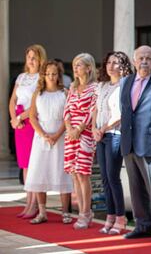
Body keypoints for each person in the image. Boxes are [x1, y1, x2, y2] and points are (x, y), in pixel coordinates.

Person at [120, 45, 151, 243]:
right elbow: (126, 112)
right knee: (135, 187)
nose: (144, 61)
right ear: (134, 61)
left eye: (148, 58)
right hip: (129, 142)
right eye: (140, 58)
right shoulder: (126, 82)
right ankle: (142, 225)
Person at [24, 60, 73, 225]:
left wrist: (57, 135)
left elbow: (68, 117)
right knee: (40, 172)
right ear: (43, 75)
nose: (51, 77)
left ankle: (66, 212)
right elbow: (32, 117)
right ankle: (43, 212)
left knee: (62, 173)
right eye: (48, 74)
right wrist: (45, 135)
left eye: (54, 74)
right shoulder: (38, 94)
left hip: (60, 138)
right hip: (41, 139)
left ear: (59, 75)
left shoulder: (64, 93)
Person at [92, 51, 132, 235]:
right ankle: (109, 216)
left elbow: (122, 114)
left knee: (113, 177)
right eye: (108, 62)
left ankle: (121, 218)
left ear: (123, 66)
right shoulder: (101, 85)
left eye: (115, 62)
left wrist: (104, 129)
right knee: (105, 179)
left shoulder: (125, 85)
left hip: (114, 134)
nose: (110, 65)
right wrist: (94, 128)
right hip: (100, 135)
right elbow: (95, 109)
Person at [9, 44, 47, 219]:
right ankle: (28, 201)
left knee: (33, 164)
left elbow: (36, 104)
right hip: (19, 122)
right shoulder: (21, 77)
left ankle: (35, 204)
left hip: (32, 120)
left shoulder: (42, 77)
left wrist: (21, 118)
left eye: (34, 57)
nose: (31, 60)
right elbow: (12, 100)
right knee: (24, 164)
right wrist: (13, 118)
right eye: (29, 57)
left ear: (40, 59)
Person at [63, 53, 97, 229]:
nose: (75, 68)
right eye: (74, 65)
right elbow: (66, 110)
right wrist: (69, 129)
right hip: (71, 135)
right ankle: (82, 212)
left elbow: (92, 112)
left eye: (79, 65)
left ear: (88, 68)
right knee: (74, 174)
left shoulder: (94, 88)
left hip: (85, 135)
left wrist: (79, 129)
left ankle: (85, 212)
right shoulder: (72, 87)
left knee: (83, 174)